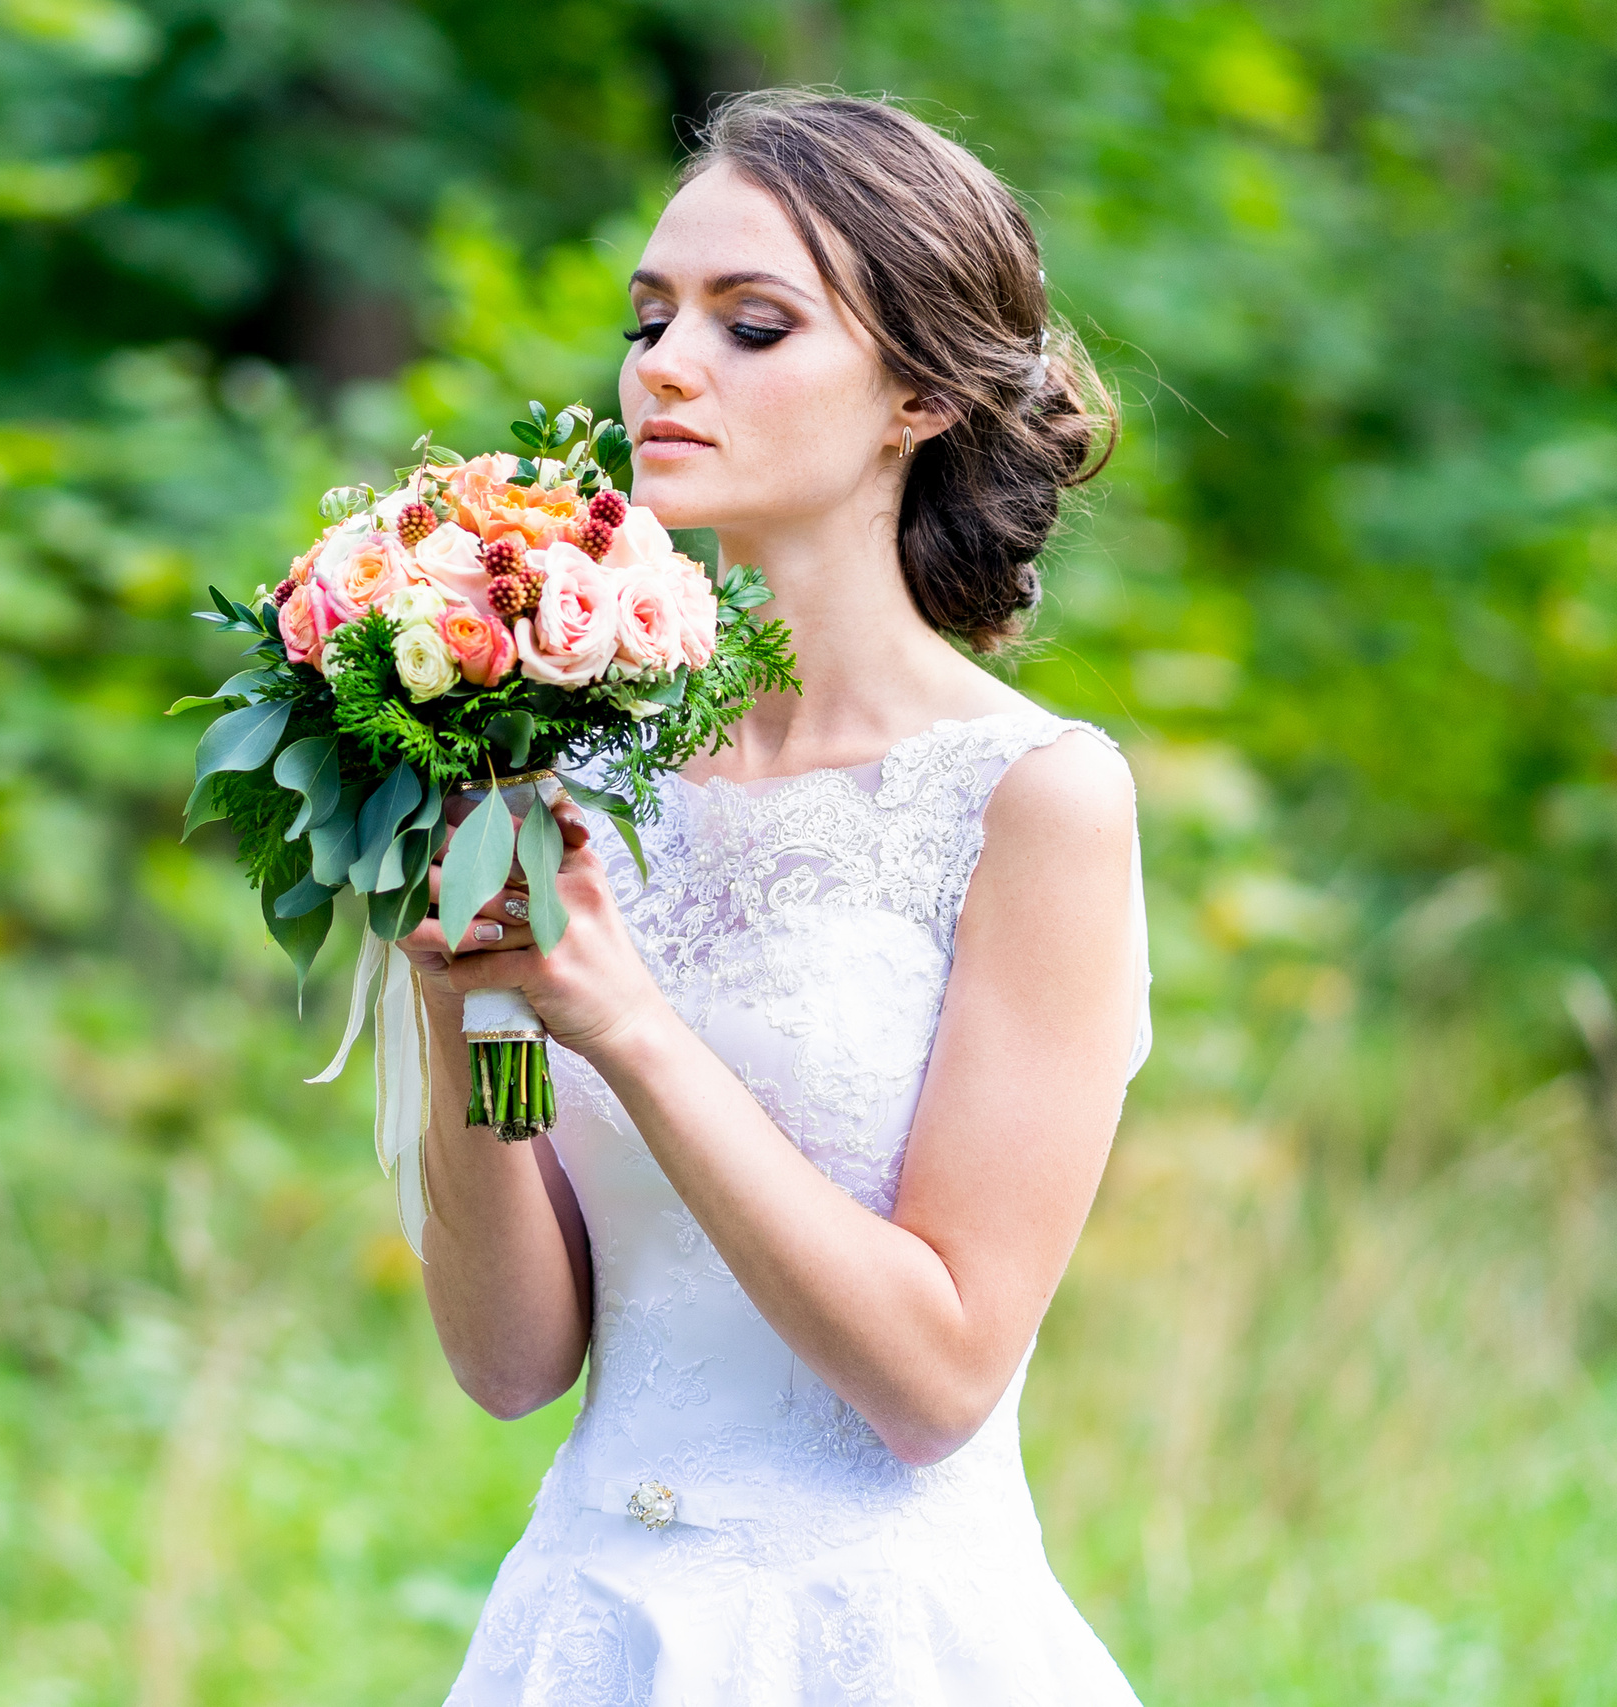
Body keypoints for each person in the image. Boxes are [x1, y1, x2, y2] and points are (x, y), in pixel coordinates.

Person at [401, 90, 1152, 1704]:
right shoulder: (573, 774)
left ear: (921, 395)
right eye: (651, 318)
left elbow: (939, 1377)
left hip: (873, 1643)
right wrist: (470, 1011)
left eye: (752, 326)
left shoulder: (1032, 800)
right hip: (591, 1632)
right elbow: (515, 1361)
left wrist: (632, 1024)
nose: (666, 367)